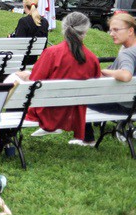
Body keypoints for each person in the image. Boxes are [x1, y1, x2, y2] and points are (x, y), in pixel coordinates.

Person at [15, 12, 100, 145]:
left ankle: (8, 139)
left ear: (64, 29)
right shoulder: (92, 58)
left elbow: (35, 80)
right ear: (85, 31)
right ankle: (88, 137)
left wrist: (25, 76)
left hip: (49, 112)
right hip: (76, 111)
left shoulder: (52, 53)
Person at [86, 12, 136, 141]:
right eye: (110, 30)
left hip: (125, 106)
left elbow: (126, 75)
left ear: (130, 31)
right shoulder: (128, 50)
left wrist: (106, 72)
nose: (111, 34)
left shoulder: (127, 53)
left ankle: (87, 138)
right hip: (132, 103)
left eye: (116, 30)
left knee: (80, 96)